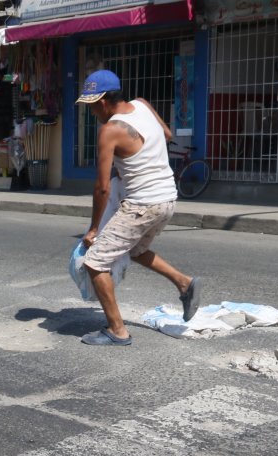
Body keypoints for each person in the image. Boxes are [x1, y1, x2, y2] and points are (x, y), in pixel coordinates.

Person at [75, 69, 203, 346]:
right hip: (167, 197)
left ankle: (117, 330)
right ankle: (184, 283)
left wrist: (95, 228)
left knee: (95, 262)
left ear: (104, 101)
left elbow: (102, 187)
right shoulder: (143, 104)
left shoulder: (110, 130)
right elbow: (166, 134)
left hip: (143, 204)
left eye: (92, 107)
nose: (92, 113)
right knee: (136, 250)